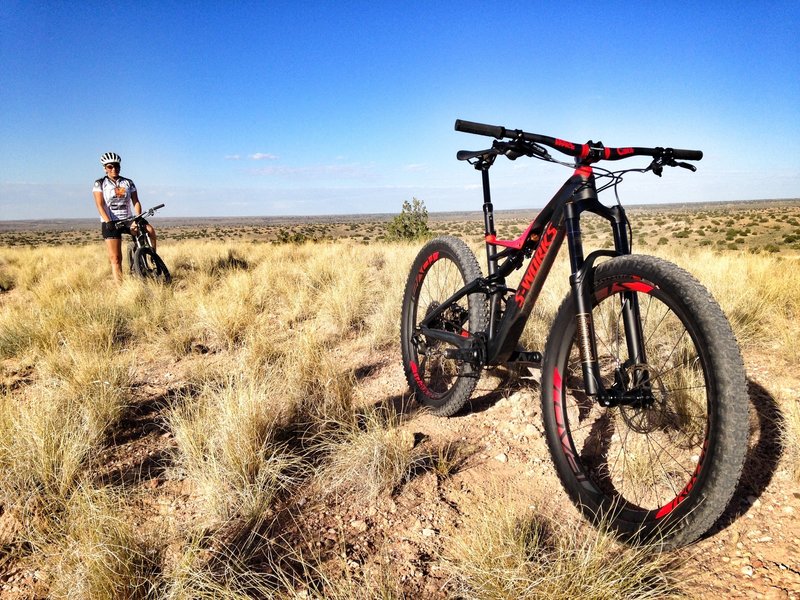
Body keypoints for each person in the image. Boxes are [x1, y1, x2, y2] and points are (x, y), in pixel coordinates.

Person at [92, 152, 157, 282]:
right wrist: (108, 221)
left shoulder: (128, 182)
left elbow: (136, 202)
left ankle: (152, 256)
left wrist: (137, 219)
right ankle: (119, 288)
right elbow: (100, 205)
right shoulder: (100, 183)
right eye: (110, 166)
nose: (114, 169)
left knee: (150, 230)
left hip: (128, 219)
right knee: (116, 258)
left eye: (116, 166)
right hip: (111, 221)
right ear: (105, 168)